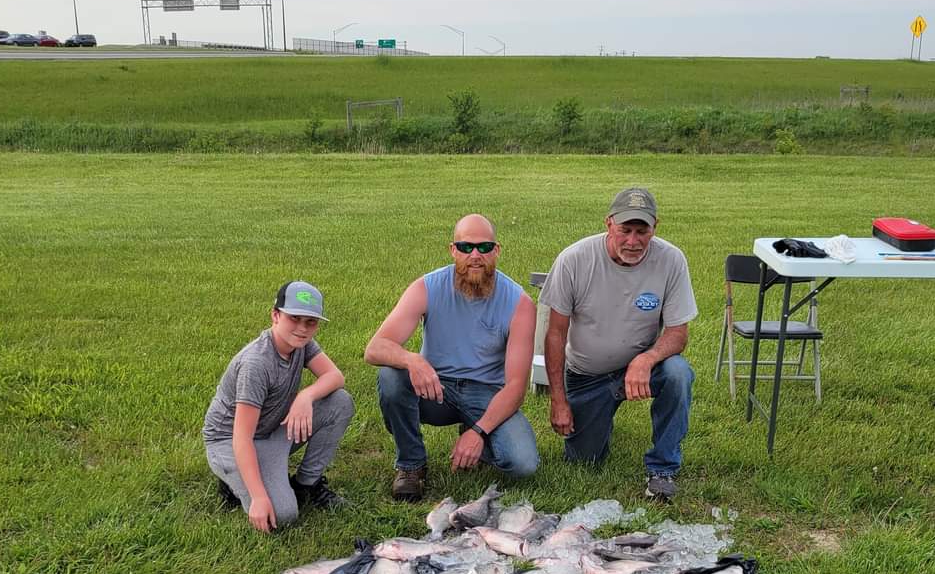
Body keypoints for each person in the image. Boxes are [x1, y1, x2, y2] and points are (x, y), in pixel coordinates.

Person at [364, 214, 539, 500]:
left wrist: (478, 433)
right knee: (391, 376)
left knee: (523, 463)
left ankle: (476, 438)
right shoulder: (426, 287)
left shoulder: (520, 304)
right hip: (436, 388)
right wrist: (414, 360)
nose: (475, 256)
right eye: (466, 247)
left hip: (487, 395)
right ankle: (411, 465)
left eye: (484, 248)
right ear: (452, 250)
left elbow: (516, 387)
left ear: (496, 250)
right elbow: (375, 348)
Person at [541, 187, 696, 501]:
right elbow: (555, 333)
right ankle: (599, 419)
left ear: (655, 227)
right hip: (587, 375)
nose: (634, 241)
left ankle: (662, 468)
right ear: (609, 223)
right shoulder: (574, 260)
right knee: (584, 462)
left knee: (678, 373)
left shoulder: (671, 259)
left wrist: (645, 360)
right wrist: (559, 399)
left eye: (643, 231)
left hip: (640, 370)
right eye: (625, 230)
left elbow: (678, 334)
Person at [203, 281, 354, 532]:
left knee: (340, 401)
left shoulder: (302, 344)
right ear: (275, 315)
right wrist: (260, 498)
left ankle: (306, 484)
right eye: (294, 318)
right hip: (229, 441)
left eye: (310, 322)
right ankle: (231, 482)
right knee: (282, 516)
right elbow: (242, 437)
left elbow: (335, 376)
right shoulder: (256, 364)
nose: (302, 329)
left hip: (270, 430)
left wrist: (305, 396)